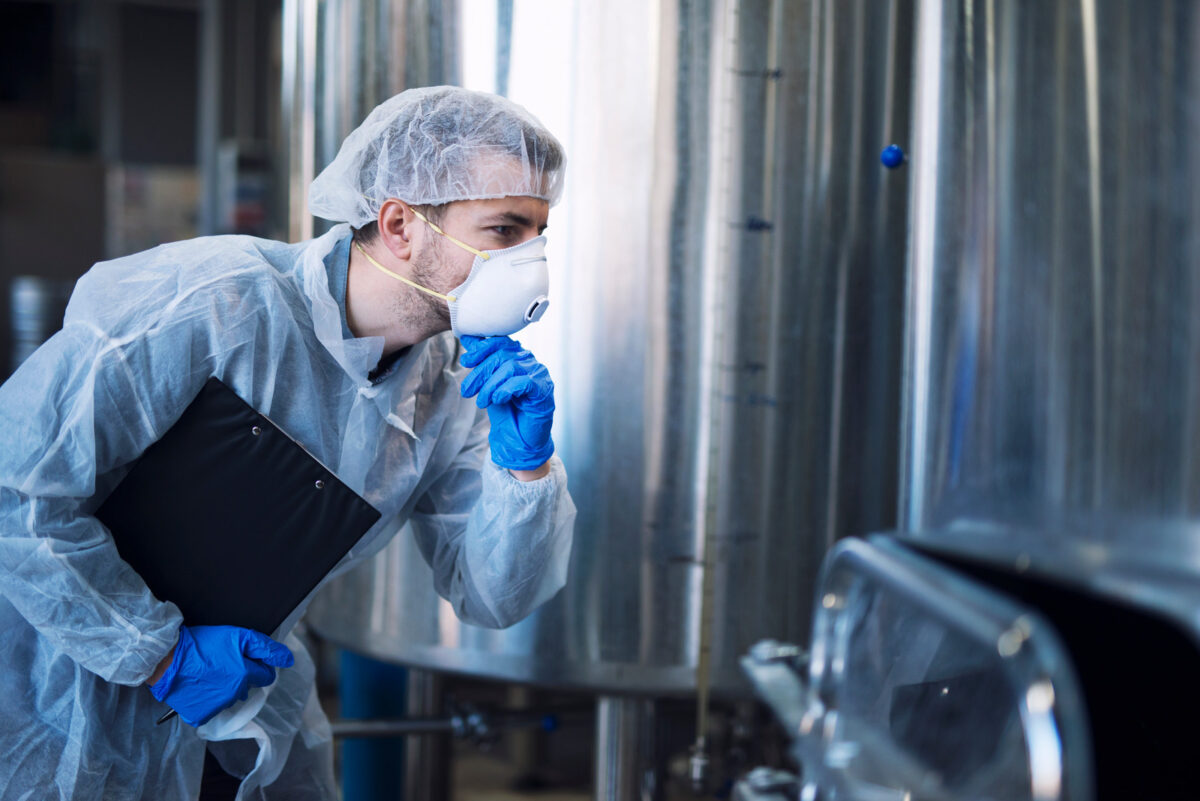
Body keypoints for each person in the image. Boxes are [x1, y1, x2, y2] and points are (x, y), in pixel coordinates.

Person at [0, 86, 576, 800]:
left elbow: (494, 596)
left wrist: (526, 469)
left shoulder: (450, 393)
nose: (533, 265)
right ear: (400, 224)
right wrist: (157, 655)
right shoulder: (212, 300)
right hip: (44, 690)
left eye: (539, 235)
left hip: (237, 706)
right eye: (505, 230)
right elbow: (16, 493)